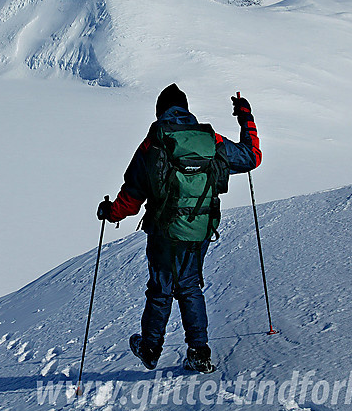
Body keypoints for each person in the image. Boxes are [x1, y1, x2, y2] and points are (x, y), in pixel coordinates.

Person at [97, 84, 261, 372]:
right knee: (189, 286)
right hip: (200, 227)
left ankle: (150, 348)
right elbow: (251, 157)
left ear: (160, 111)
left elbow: (132, 197)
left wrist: (110, 212)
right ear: (186, 109)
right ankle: (199, 352)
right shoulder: (210, 139)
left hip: (165, 230)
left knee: (161, 288)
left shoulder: (155, 141)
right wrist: (245, 116)